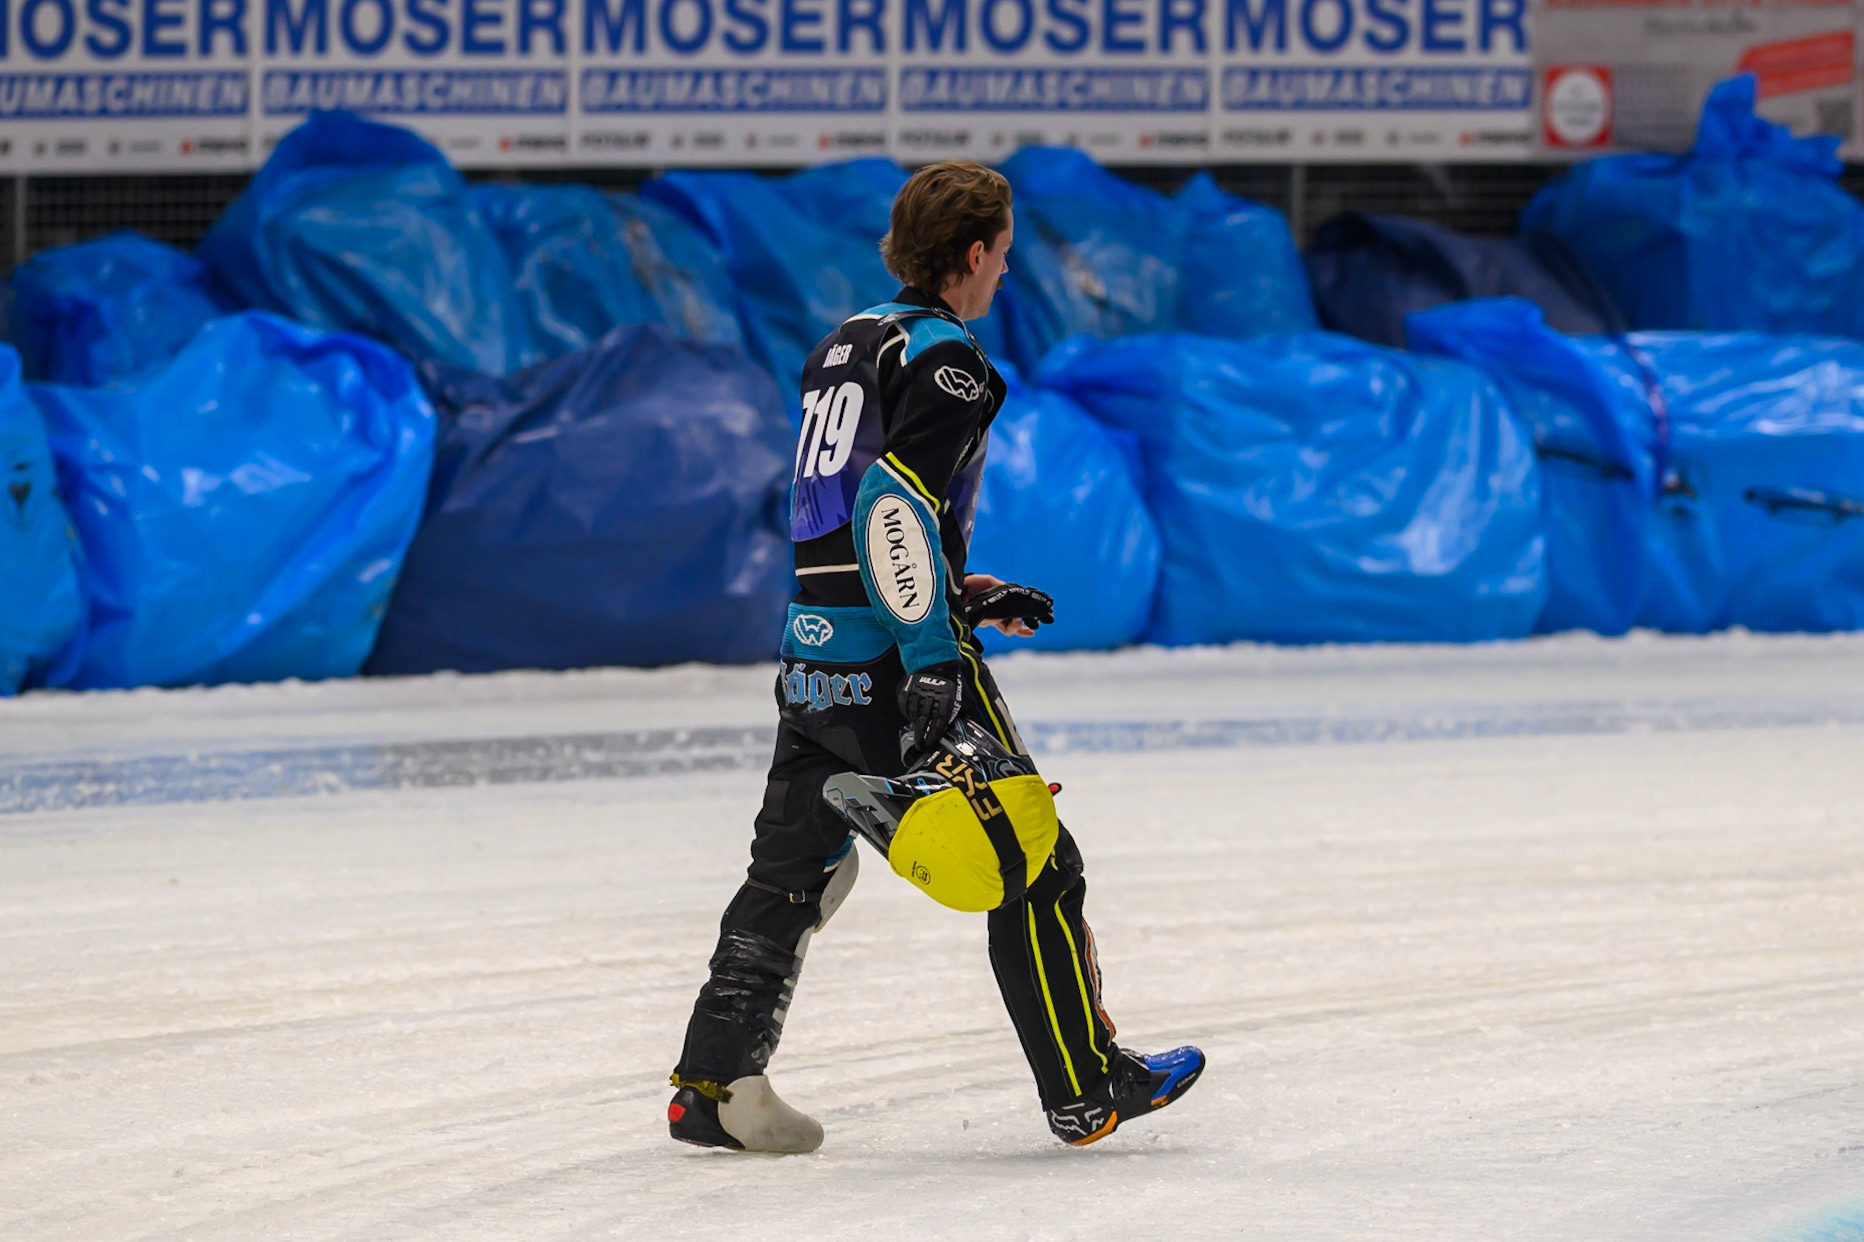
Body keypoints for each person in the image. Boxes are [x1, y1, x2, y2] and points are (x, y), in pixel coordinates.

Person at [667, 160, 1203, 1153]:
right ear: (973, 253)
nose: (1005, 272)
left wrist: (964, 586)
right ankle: (1087, 1086)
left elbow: (841, 516)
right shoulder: (948, 357)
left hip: (814, 654)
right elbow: (890, 504)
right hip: (894, 659)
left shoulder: (844, 344)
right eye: (1002, 253)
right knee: (1035, 860)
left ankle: (714, 1086)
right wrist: (931, 649)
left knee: (790, 878)